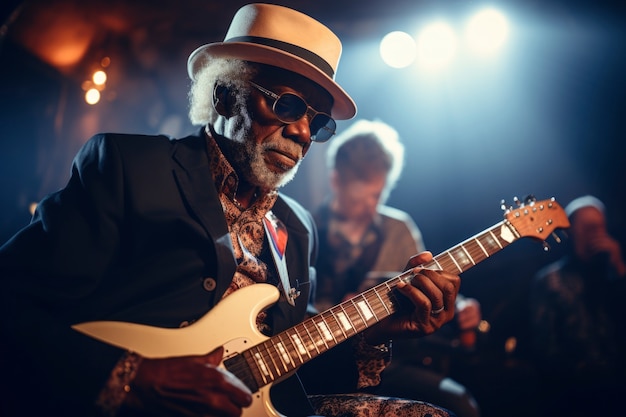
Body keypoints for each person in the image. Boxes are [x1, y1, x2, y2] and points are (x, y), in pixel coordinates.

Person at [0, 4, 464, 417]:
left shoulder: (297, 228)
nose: (303, 133)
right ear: (224, 95)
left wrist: (374, 333)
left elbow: (293, 381)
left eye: (317, 122)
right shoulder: (129, 167)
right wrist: (135, 378)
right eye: (288, 105)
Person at [303, 119, 482, 417]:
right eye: (365, 196)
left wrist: (460, 303)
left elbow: (428, 283)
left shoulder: (399, 228)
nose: (373, 206)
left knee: (460, 404)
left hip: (394, 362)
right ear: (337, 182)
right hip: (324, 362)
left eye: (379, 195)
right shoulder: (304, 229)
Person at [529, 195, 626, 417]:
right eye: (586, 227)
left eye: (598, 227)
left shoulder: (615, 274)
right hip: (572, 397)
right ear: (570, 232)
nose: (594, 234)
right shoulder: (549, 280)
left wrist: (619, 270)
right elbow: (545, 350)